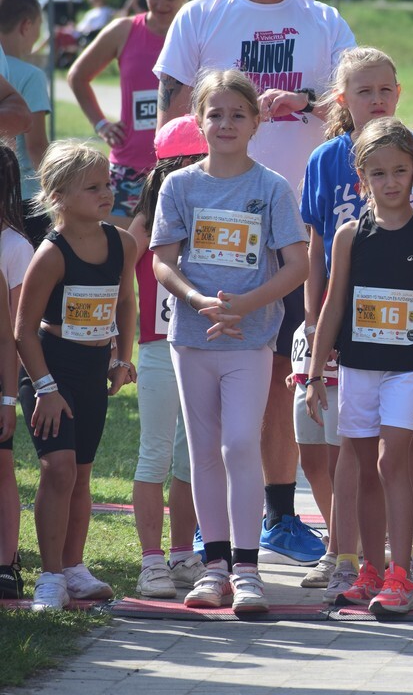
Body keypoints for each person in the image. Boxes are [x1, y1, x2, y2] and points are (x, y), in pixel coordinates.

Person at [155, 0, 355, 570]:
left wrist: (305, 102)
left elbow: (357, 105)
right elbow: (169, 120)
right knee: (211, 417)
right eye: (218, 115)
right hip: (208, 247)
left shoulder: (325, 21)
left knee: (280, 384)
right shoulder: (201, 15)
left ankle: (278, 516)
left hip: (298, 231)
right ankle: (212, 533)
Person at [300, 46, 413, 601]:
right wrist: (313, 360)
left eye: (384, 89)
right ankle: (358, 563)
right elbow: (326, 282)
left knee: (405, 452)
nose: (375, 99)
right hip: (357, 354)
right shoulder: (340, 200)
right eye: (363, 90)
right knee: (357, 455)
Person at [151, 69, 309, 613]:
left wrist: (245, 304)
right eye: (215, 114)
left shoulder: (271, 187)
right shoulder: (179, 185)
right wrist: (199, 300)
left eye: (238, 114)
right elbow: (162, 261)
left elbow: (297, 265)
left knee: (240, 444)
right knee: (203, 452)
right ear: (198, 121)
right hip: (192, 339)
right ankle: (214, 567)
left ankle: (247, 569)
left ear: (256, 121)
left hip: (251, 339)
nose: (226, 123)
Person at [17, 141, 138, 611]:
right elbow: (23, 330)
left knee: (82, 473)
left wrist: (120, 358)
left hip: (92, 370)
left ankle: (74, 568)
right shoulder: (51, 253)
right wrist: (45, 389)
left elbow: (124, 301)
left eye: (107, 183)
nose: (106, 193)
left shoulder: (122, 242)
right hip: (50, 368)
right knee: (59, 468)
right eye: (92, 188)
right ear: (58, 196)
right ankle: (50, 577)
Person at [129, 115, 208, 599]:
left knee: (191, 458)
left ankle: (182, 555)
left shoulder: (216, 209)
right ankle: (151, 561)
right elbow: (119, 265)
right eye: (193, 163)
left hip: (200, 345)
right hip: (158, 349)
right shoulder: (146, 220)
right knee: (155, 454)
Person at [68, 0, 192, 227]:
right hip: (129, 167)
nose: (161, 5)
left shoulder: (195, 33)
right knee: (117, 246)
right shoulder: (124, 30)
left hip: (182, 164)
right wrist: (101, 124)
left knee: (171, 248)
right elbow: (77, 76)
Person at [0, 145, 24, 599]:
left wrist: (9, 396)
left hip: (3, 378)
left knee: (3, 468)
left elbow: (15, 335)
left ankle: (6, 562)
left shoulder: (17, 249)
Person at [0, 0, 49, 208]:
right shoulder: (31, 76)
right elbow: (36, 146)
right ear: (27, 26)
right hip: (25, 195)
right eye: (40, 25)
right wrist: (56, 188)